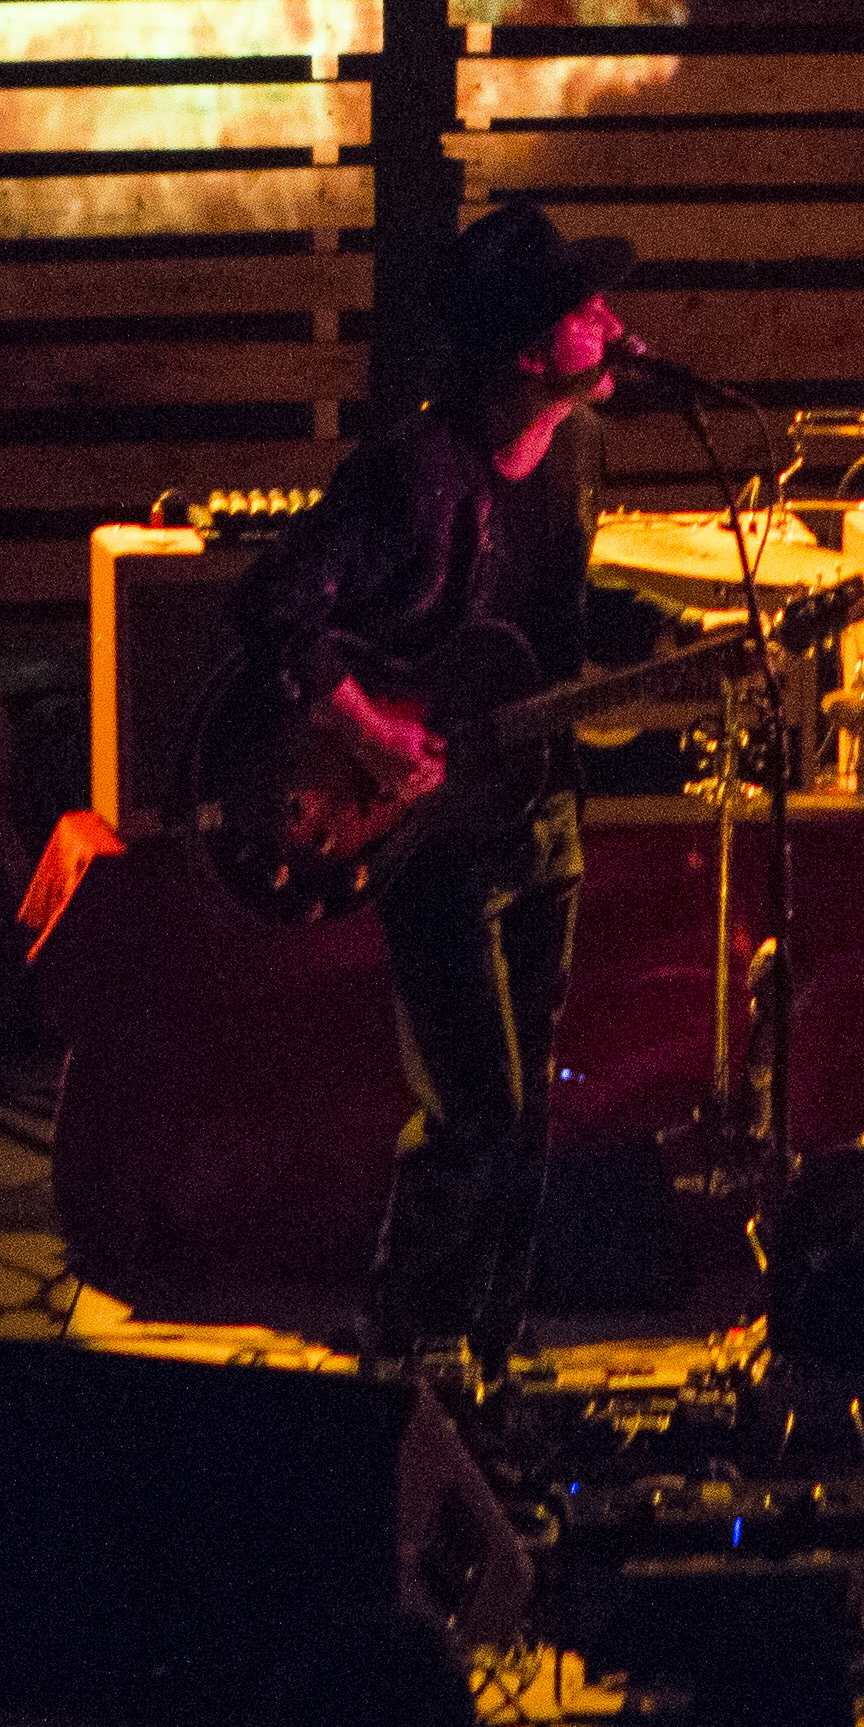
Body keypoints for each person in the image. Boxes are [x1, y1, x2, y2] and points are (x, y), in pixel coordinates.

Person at [222, 199, 680, 1376]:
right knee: (473, 1109)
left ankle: (495, 1342)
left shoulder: (577, 451)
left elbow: (558, 627)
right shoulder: (414, 477)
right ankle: (402, 1349)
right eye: (588, 312)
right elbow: (271, 608)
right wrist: (369, 733)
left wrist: (685, 640)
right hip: (423, 830)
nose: (615, 324)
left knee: (526, 1118)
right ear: (533, 352)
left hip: (540, 811)